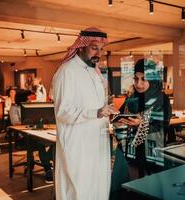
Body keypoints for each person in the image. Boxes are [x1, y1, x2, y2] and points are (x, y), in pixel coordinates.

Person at [52, 27, 119, 200]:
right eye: (94, 47)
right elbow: (63, 112)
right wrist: (96, 112)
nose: (99, 53)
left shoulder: (93, 71)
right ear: (81, 46)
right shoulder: (67, 71)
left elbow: (98, 105)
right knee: (80, 190)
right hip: (78, 144)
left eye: (101, 49)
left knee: (99, 186)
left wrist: (111, 113)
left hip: (98, 140)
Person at [112, 58, 172, 187]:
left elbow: (162, 126)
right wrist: (114, 117)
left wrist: (141, 123)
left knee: (150, 189)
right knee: (131, 189)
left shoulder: (162, 99)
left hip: (152, 153)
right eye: (135, 79)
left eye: (143, 79)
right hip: (131, 153)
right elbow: (120, 116)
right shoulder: (131, 97)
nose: (138, 84)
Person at [9, 95, 54, 183]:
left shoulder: (30, 107)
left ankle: (47, 161)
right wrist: (26, 123)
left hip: (35, 132)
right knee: (40, 143)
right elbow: (15, 123)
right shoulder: (14, 109)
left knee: (54, 142)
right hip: (22, 136)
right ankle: (48, 168)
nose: (30, 100)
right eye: (29, 98)